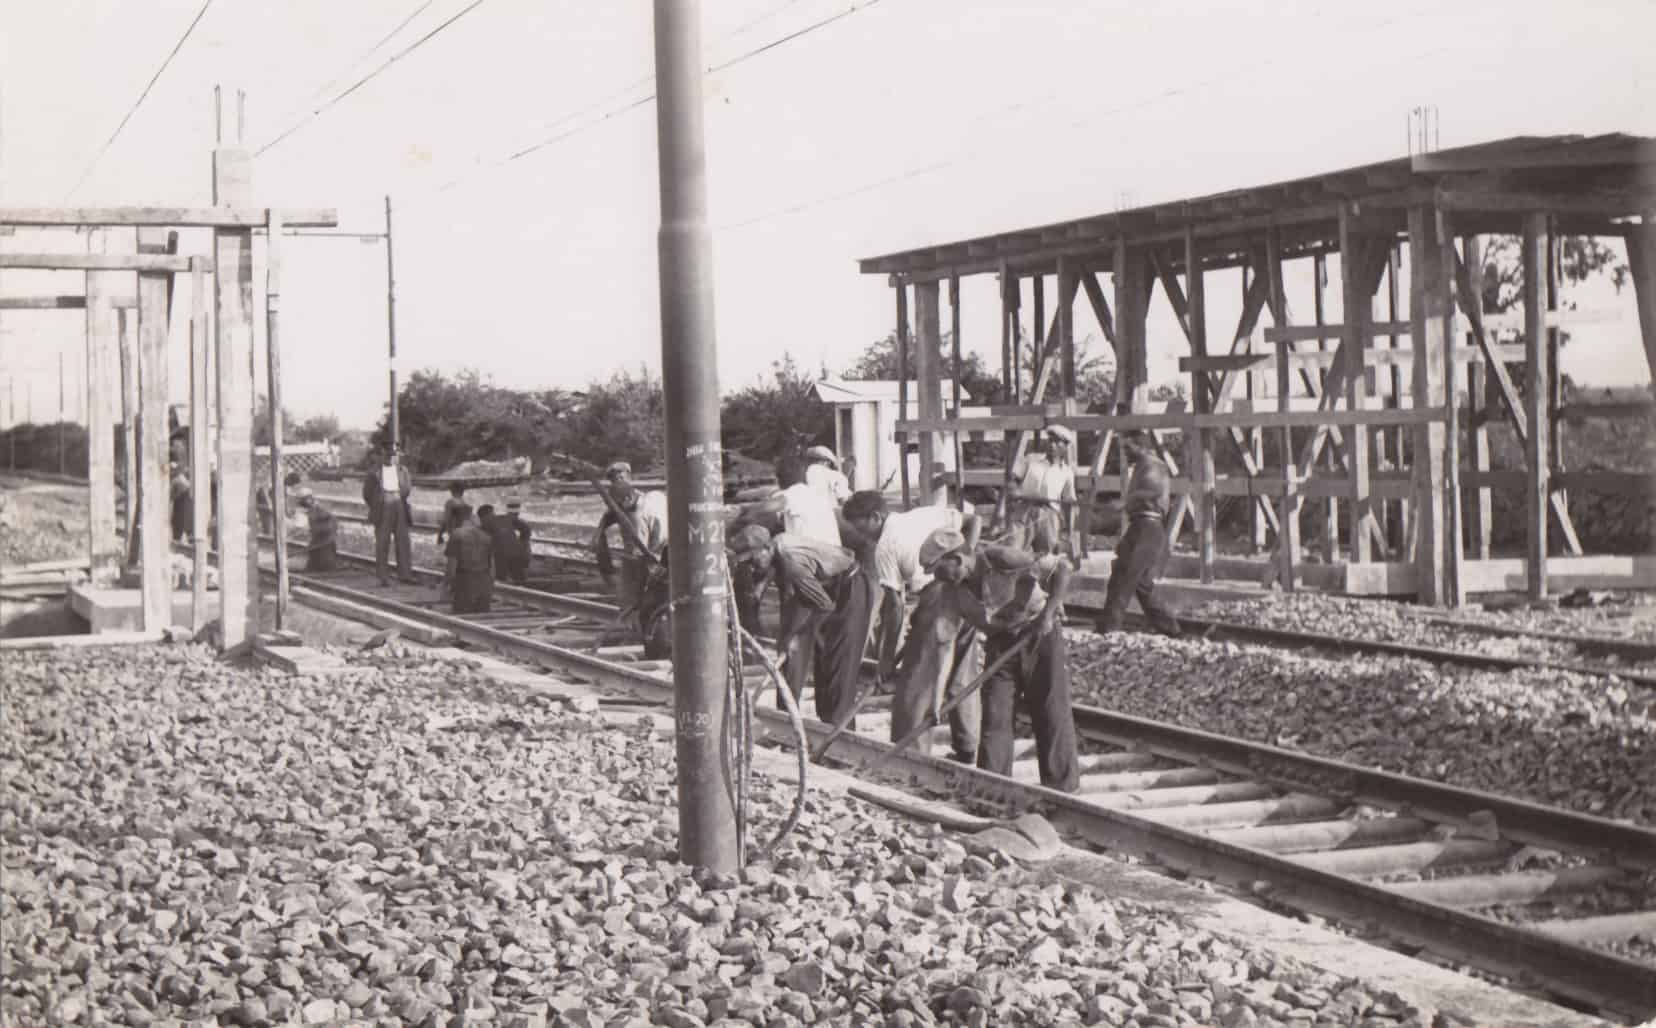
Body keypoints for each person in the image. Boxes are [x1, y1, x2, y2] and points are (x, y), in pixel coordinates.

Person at [856, 493, 983, 762]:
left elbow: (895, 608)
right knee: (961, 676)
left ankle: (909, 755)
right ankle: (967, 748)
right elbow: (974, 521)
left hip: (935, 599)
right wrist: (965, 561)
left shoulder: (885, 547)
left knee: (917, 686)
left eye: (860, 527)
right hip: (961, 591)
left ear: (874, 518)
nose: (861, 536)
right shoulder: (923, 514)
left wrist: (886, 659)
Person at [727, 524, 869, 725]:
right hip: (826, 587)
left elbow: (824, 606)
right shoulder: (776, 547)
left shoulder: (792, 563)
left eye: (752, 560)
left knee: (839, 662)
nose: (751, 566)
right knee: (817, 657)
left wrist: (798, 635)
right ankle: (817, 722)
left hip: (850, 588)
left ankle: (840, 732)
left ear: (767, 548)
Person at [971, 541, 1079, 791]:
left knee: (1051, 709)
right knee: (995, 712)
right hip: (1001, 639)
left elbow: (1063, 567)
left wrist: (1048, 614)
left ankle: (1061, 787)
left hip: (1038, 634)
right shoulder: (961, 581)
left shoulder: (1010, 560)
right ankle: (991, 787)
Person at [1095, 430, 1182, 637]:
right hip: (1139, 525)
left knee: (1125, 577)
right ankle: (1171, 629)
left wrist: (1124, 503)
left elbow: (1151, 490)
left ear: (1141, 445)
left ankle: (1109, 629)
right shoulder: (1142, 466)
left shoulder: (1154, 465)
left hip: (1148, 528)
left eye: (1128, 447)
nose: (1125, 453)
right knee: (1136, 582)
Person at [594, 482, 672, 653]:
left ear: (628, 499)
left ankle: (651, 645)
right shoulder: (654, 496)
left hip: (661, 559)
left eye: (619, 506)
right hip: (674, 550)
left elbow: (640, 558)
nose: (619, 512)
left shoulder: (637, 519)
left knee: (647, 606)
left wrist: (637, 590)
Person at [1011, 427, 1078, 558]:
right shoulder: (1031, 460)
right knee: (1014, 553)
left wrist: (1069, 532)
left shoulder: (1066, 472)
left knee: (1046, 557)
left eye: (1057, 442)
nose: (1052, 445)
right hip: (1025, 510)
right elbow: (1013, 481)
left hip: (1049, 515)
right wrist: (1014, 491)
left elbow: (1069, 501)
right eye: (1050, 441)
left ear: (1065, 447)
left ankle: (1036, 578)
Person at [365, 451, 415, 586]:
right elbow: (367, 493)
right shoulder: (374, 471)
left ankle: (405, 575)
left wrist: (398, 497)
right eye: (387, 455)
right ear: (381, 455)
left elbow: (407, 488)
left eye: (393, 455)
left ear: (398, 457)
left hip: (399, 503)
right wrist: (378, 504)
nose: (390, 458)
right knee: (382, 542)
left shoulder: (402, 470)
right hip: (382, 505)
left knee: (403, 541)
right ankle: (383, 577)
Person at [442, 502, 494, 613]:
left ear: (456, 519)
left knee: (462, 621)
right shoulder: (487, 537)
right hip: (484, 586)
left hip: (465, 585)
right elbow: (492, 569)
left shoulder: (456, 535)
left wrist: (447, 587)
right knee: (482, 623)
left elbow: (451, 568)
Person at [293, 488, 339, 572]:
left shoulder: (318, 510)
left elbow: (328, 525)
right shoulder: (315, 509)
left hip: (324, 542)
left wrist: (311, 529)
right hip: (323, 542)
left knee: (319, 562)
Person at [492, 500, 533, 584]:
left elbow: (525, 545)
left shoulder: (499, 520)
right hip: (504, 557)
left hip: (507, 557)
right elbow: (525, 546)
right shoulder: (522, 525)